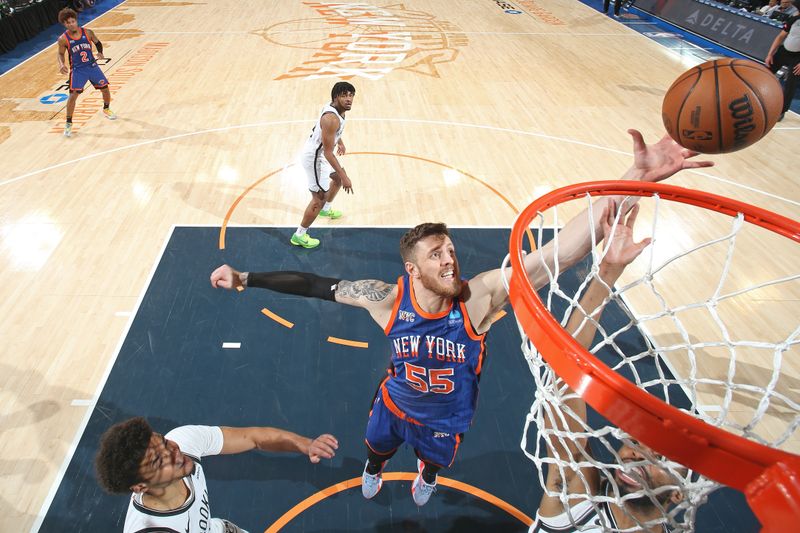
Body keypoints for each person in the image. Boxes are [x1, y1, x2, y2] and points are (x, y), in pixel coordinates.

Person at [210, 129, 712, 507]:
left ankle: (427, 475)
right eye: (436, 255)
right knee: (376, 449)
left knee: (431, 464)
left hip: (448, 418)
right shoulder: (386, 298)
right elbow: (316, 286)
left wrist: (632, 182)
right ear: (413, 268)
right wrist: (248, 277)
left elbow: (563, 252)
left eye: (450, 250)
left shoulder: (480, 298)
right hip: (395, 402)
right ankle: (375, 468)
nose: (450, 260)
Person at [532, 204, 684, 533]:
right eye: (635, 443)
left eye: (658, 458)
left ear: (678, 494)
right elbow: (564, 368)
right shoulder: (575, 494)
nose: (636, 456)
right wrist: (607, 274)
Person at [95, 417, 338, 533]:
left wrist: (304, 444)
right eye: (159, 461)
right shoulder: (153, 529)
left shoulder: (183, 440)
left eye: (164, 441)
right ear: (140, 486)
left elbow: (252, 437)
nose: (174, 452)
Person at [291, 81, 356, 249]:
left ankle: (326, 209)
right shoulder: (331, 119)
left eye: (351, 95)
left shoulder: (337, 109)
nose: (349, 99)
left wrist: (339, 141)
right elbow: (327, 153)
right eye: (344, 95)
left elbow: (331, 134)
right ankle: (299, 235)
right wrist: (345, 176)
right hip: (315, 157)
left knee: (337, 179)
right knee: (318, 198)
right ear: (336, 97)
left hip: (321, 153)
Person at [56, 7, 116, 138]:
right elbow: (60, 54)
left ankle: (106, 109)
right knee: (73, 97)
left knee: (105, 89)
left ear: (76, 21)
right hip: (78, 70)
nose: (71, 24)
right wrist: (61, 64)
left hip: (92, 66)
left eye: (72, 21)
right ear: (64, 24)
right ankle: (68, 123)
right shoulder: (63, 39)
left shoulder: (88, 32)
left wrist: (100, 52)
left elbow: (98, 42)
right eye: (68, 23)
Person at [766, 13, 800, 121]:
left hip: (797, 58)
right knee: (765, 72)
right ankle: (755, 96)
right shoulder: (794, 19)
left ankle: (782, 111)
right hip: (784, 51)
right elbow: (781, 36)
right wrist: (770, 54)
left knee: (791, 84)